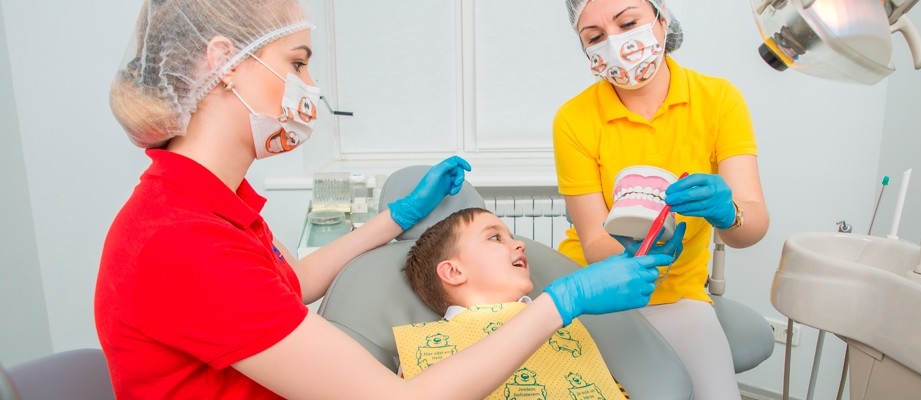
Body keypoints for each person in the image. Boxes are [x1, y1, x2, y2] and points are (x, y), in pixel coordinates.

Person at [94, 1, 678, 399]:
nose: (311, 89)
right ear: (223, 62)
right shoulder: (182, 239)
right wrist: (562, 301)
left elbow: (290, 285)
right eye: (297, 63)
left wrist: (397, 218)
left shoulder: (210, 205)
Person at [554, 0, 771, 399]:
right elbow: (595, 241)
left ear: (662, 17)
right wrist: (636, 253)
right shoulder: (574, 119)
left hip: (679, 294)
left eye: (628, 22)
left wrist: (729, 213)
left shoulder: (718, 100)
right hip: (597, 287)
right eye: (595, 36)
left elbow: (752, 227)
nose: (615, 43)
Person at [399, 207, 681, 399]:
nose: (519, 244)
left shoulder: (564, 332)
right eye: (495, 237)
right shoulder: (423, 351)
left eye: (512, 236)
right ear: (453, 272)